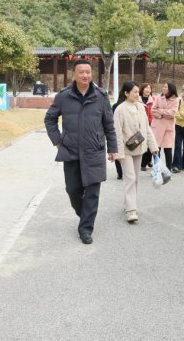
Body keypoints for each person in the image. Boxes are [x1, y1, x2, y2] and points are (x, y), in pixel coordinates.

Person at [44, 59, 117, 245]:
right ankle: (85, 214)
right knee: (72, 190)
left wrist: (113, 148)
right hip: (71, 151)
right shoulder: (64, 96)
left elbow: (109, 124)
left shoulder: (101, 96)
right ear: (74, 75)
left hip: (94, 151)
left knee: (92, 193)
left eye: (88, 72)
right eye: (81, 72)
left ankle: (85, 229)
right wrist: (57, 141)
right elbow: (50, 119)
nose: (85, 75)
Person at [113, 81, 159, 223]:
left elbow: (147, 128)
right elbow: (117, 133)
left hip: (139, 148)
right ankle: (131, 210)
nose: (137, 94)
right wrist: (119, 153)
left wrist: (153, 147)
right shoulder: (120, 109)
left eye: (138, 91)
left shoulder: (141, 107)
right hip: (125, 150)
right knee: (130, 178)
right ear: (126, 93)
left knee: (136, 179)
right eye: (134, 92)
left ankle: (128, 203)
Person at [151, 82, 179, 171]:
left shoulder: (176, 99)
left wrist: (160, 111)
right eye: (163, 86)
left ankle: (168, 170)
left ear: (171, 89)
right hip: (158, 126)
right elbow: (153, 110)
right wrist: (162, 115)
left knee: (168, 149)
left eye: (165, 87)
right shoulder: (158, 97)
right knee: (156, 149)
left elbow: (173, 113)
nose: (163, 88)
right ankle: (156, 170)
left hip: (168, 127)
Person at [139, 83, 155, 171]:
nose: (148, 90)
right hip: (140, 125)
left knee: (150, 144)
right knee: (142, 143)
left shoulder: (153, 100)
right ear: (142, 89)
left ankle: (146, 162)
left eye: (149, 88)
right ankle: (143, 162)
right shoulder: (137, 100)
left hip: (151, 125)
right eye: (146, 88)